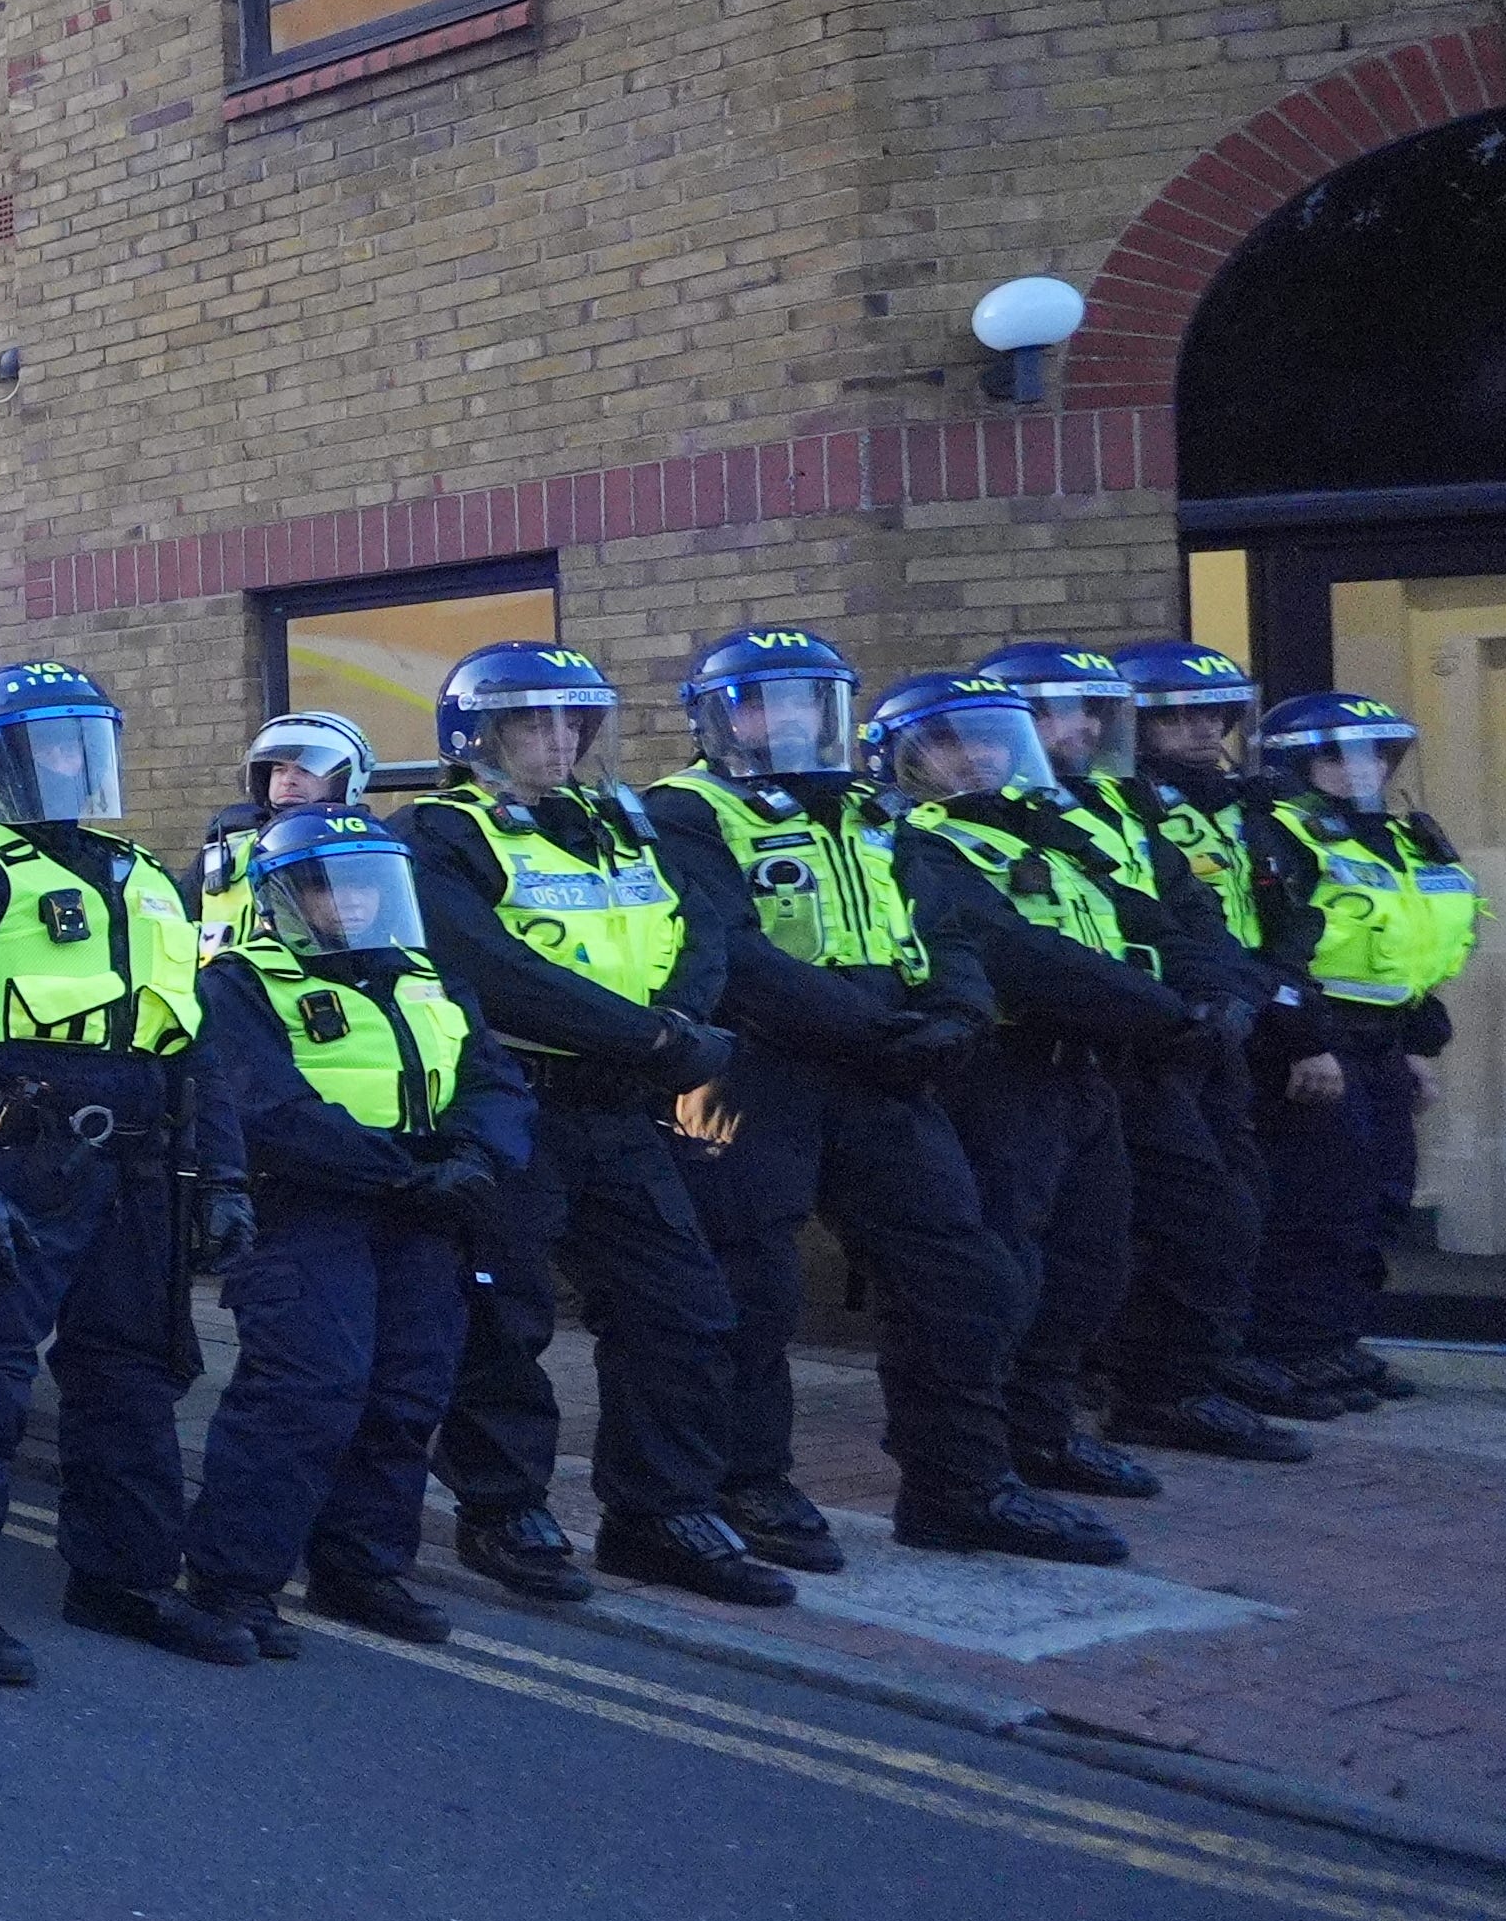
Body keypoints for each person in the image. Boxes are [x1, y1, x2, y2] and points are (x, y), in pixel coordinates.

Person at [643, 633, 1111, 1567]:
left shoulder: (874, 807)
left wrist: (957, 1014)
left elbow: (942, 928)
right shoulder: (681, 811)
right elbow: (730, 951)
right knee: (749, 1284)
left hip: (881, 1071)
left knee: (962, 1275)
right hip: (743, 1072)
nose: (788, 719)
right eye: (763, 702)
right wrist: (875, 1031)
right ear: (717, 718)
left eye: (807, 700)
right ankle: (747, 1481)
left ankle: (960, 1488)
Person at [395, 641, 782, 1607]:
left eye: (576, 721)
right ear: (475, 736)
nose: (561, 739)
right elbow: (492, 970)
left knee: (682, 1307)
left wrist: (677, 1024)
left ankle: (658, 1513)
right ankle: (502, 1505)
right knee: (506, 1315)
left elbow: (701, 926)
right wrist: (651, 1038)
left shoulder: (624, 823)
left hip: (620, 1106)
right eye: (535, 721)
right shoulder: (437, 835)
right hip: (513, 1102)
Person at [0, 664, 212, 1682]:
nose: (68, 764)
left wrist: (224, 1177)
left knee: (132, 1376)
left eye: (81, 743)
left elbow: (193, 1042)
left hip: (139, 1166)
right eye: (43, 747)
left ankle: (123, 1578)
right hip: (12, 1159)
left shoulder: (145, 876)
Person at [186, 810, 532, 1646]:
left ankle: (361, 1569)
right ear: (285, 899)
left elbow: (495, 1081)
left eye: (371, 885)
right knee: (304, 1393)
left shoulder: (429, 976)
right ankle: (231, 1586)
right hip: (307, 1210)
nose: (354, 902)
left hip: (429, 1209)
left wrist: (475, 1156)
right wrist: (405, 1170)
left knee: (408, 1392)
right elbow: (265, 1108)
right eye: (329, 888)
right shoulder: (241, 982)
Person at [874, 672, 1188, 1537]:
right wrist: (1167, 1013)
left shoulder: (1052, 830)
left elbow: (1147, 920)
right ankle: (974, 1468)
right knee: (993, 1277)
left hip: (1082, 1071)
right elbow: (1014, 954)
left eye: (992, 739)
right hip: (995, 1074)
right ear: (905, 760)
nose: (978, 757)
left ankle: (1041, 1435)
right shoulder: (920, 840)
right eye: (950, 743)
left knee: (1088, 1265)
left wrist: (1210, 993)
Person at [1053, 641, 1319, 1456]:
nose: (1205, 731)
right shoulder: (1043, 812)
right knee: (1157, 1221)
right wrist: (1178, 1006)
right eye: (1180, 718)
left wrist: (1235, 991)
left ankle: (1191, 1372)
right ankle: (1148, 1388)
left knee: (1229, 1205)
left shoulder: (1129, 805)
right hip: (1117, 1042)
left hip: (1206, 1030)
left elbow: (1189, 913)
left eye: (1217, 716)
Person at [1241, 692, 1472, 1405]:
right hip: (1313, 1039)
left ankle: (1337, 1340)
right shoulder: (1280, 833)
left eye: (1377, 754)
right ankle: (1289, 1349)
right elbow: (1271, 949)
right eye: (1338, 757)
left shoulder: (1402, 838)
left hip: (1383, 1041)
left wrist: (1417, 1045)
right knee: (1316, 1200)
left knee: (1381, 1195)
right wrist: (1305, 1043)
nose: (1362, 769)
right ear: (1296, 765)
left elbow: (1410, 954)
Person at [191, 710, 378, 944]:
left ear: (342, 780)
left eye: (305, 770)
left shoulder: (366, 847)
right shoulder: (229, 843)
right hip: (229, 967)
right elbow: (181, 921)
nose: (288, 780)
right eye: (279, 769)